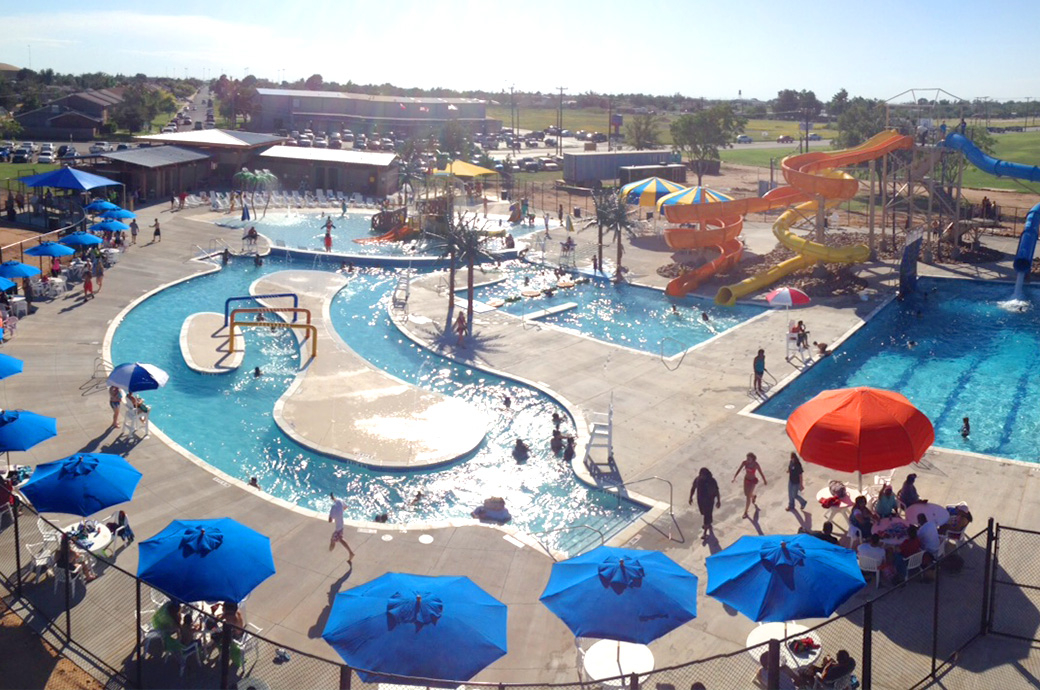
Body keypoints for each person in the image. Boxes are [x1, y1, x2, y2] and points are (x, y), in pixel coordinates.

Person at [732, 452, 767, 519]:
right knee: (746, 493)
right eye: (747, 458)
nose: (747, 460)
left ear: (753, 459)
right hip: (746, 480)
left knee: (748, 496)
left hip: (752, 481)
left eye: (749, 459)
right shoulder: (744, 463)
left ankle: (745, 512)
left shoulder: (756, 465)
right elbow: (739, 469)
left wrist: (764, 480)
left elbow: (761, 472)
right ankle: (753, 496)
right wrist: (734, 477)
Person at [688, 467, 721, 537]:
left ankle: (705, 532)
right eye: (700, 474)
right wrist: (690, 497)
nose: (701, 476)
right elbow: (693, 488)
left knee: (706, 515)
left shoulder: (711, 481)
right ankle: (709, 522)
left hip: (709, 500)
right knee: (703, 512)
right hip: (700, 500)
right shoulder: (698, 480)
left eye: (702, 475)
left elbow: (716, 490)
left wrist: (718, 500)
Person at [327, 492, 354, 560]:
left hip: (338, 528)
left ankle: (329, 554)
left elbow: (330, 521)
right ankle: (350, 552)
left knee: (335, 540)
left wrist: (331, 515)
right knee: (338, 539)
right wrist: (340, 512)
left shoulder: (333, 508)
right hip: (341, 525)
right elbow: (345, 507)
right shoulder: (339, 501)